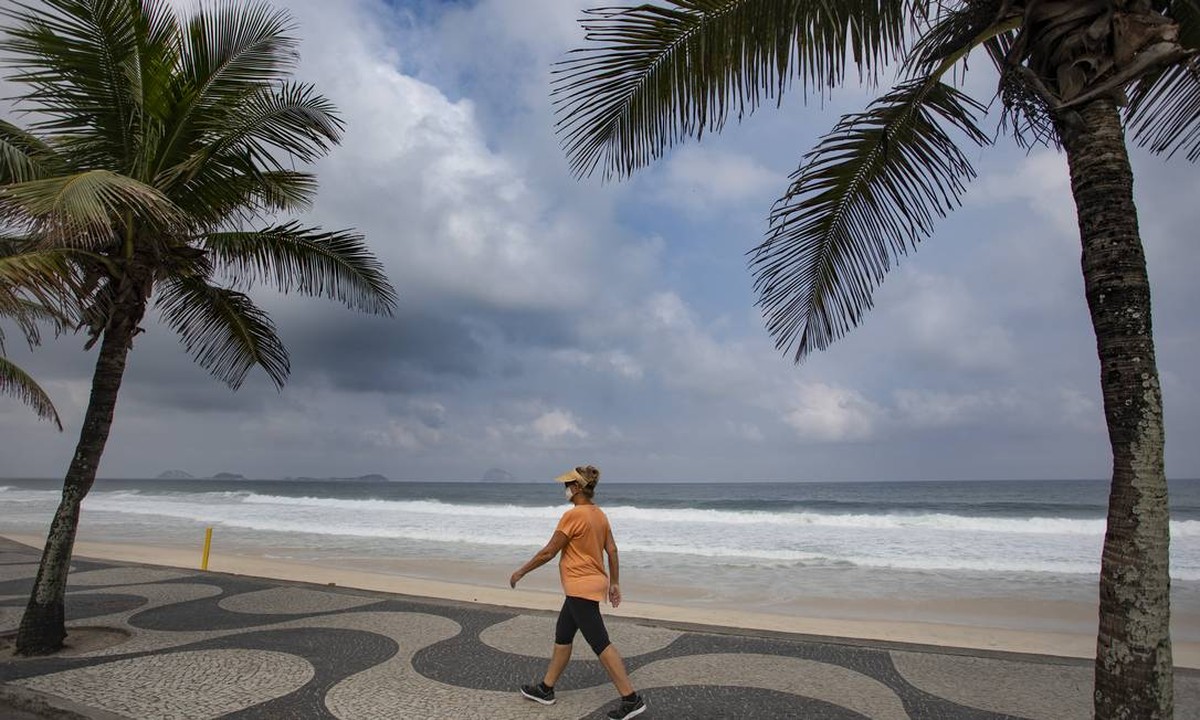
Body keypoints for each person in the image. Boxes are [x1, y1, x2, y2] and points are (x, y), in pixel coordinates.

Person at [510, 465, 647, 720]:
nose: (564, 490)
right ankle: (546, 688)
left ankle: (631, 699)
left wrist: (521, 571)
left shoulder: (572, 516)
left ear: (576, 488)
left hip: (580, 587)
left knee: (600, 643)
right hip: (592, 583)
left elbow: (548, 552)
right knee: (563, 635)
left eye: (567, 486)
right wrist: (614, 583)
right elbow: (613, 551)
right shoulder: (600, 515)